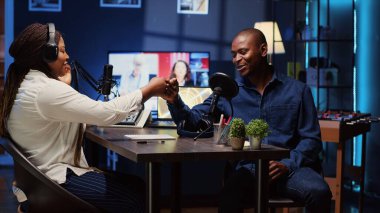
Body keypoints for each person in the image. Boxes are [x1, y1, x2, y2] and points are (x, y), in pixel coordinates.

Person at [0, 23, 176, 213]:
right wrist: (150, 90)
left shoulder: (28, 83)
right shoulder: (45, 90)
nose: (67, 56)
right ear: (47, 54)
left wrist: (64, 86)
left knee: (138, 185)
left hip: (38, 182)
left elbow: (64, 114)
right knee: (134, 199)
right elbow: (106, 113)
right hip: (54, 182)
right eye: (62, 51)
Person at [165, 28, 332, 213]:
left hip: (290, 169)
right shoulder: (227, 92)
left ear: (263, 51)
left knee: (320, 192)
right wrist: (174, 100)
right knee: (228, 196)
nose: (236, 59)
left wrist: (287, 164)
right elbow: (193, 121)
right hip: (248, 170)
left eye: (243, 52)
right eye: (234, 54)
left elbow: (311, 140)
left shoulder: (298, 91)